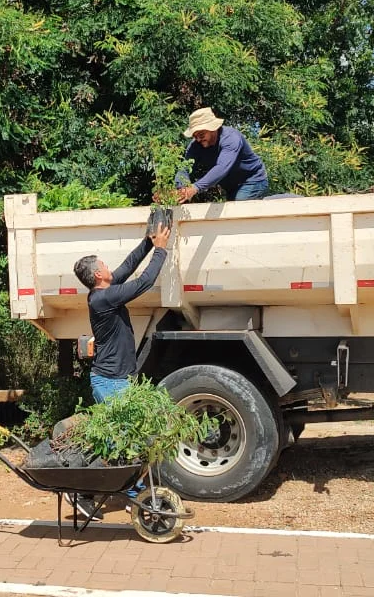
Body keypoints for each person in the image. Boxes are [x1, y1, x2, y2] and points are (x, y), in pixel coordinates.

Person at [66, 221, 172, 518]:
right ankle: (92, 493)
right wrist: (161, 251)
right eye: (105, 265)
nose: (110, 267)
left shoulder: (104, 291)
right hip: (111, 382)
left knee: (122, 440)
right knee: (119, 443)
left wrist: (149, 242)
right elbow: (143, 282)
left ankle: (121, 493)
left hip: (114, 379)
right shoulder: (103, 298)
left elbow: (128, 266)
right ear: (98, 274)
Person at [176, 107, 270, 203]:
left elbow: (221, 167)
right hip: (231, 186)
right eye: (195, 136)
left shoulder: (231, 138)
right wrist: (182, 188)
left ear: (212, 128)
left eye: (201, 134)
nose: (198, 139)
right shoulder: (195, 145)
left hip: (252, 180)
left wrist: (195, 187)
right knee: (231, 211)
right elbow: (184, 168)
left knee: (237, 208)